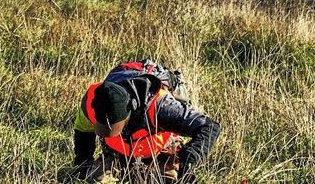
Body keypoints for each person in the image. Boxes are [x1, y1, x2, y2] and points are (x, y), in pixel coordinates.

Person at [70, 60, 221, 183]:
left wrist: (188, 160)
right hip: (119, 153)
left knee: (168, 180)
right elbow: (83, 131)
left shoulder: (161, 106)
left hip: (160, 149)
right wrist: (83, 166)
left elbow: (209, 127)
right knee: (95, 179)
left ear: (129, 113)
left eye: (116, 128)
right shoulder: (93, 99)